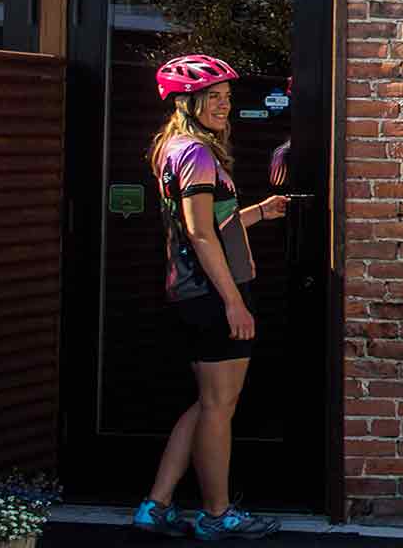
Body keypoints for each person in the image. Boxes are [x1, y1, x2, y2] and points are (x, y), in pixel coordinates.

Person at [132, 54, 290, 541]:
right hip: (211, 292)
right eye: (213, 98)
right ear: (187, 101)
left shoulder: (174, 150)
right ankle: (216, 514)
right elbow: (202, 236)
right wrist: (233, 302)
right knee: (221, 406)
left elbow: (209, 226)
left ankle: (155, 505)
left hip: (192, 291)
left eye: (226, 97)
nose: (224, 106)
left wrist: (260, 213)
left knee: (206, 404)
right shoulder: (198, 154)